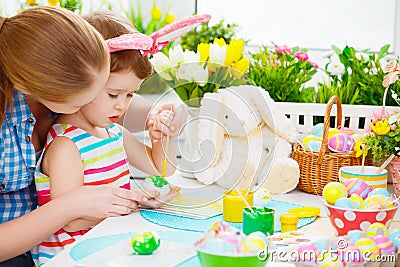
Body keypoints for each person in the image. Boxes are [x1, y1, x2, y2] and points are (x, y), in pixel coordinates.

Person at [0, 6, 184, 266]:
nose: (121, 106)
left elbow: (159, 163)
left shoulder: (107, 127)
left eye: (128, 95)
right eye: (110, 93)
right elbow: (71, 218)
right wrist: (129, 203)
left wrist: (164, 128)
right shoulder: (66, 144)